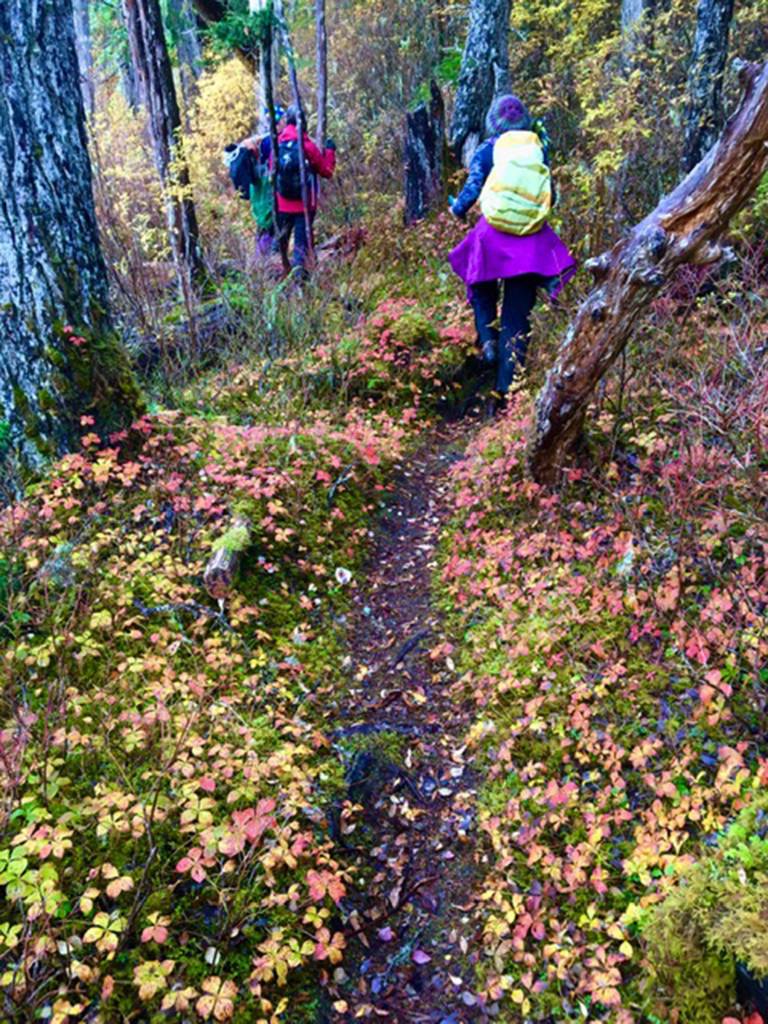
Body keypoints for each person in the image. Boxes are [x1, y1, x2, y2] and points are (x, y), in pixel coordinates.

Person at [448, 94, 576, 403]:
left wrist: (457, 209)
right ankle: (507, 391)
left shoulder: (489, 149)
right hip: (530, 244)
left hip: (491, 237)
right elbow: (551, 196)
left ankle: (488, 341)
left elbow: (472, 187)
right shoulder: (538, 148)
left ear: (494, 122)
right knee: (517, 316)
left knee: (480, 285)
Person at [273, 105, 336, 274]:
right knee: (301, 247)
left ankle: (274, 277)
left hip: (282, 203)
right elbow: (326, 171)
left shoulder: (278, 143)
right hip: (304, 206)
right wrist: (330, 151)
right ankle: (300, 282)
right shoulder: (307, 145)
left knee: (280, 243)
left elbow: (272, 170)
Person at [240, 106, 284, 258]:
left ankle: (260, 258)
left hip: (258, 191)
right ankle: (265, 259)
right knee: (269, 223)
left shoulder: (260, 141)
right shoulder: (272, 142)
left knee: (263, 224)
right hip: (267, 190)